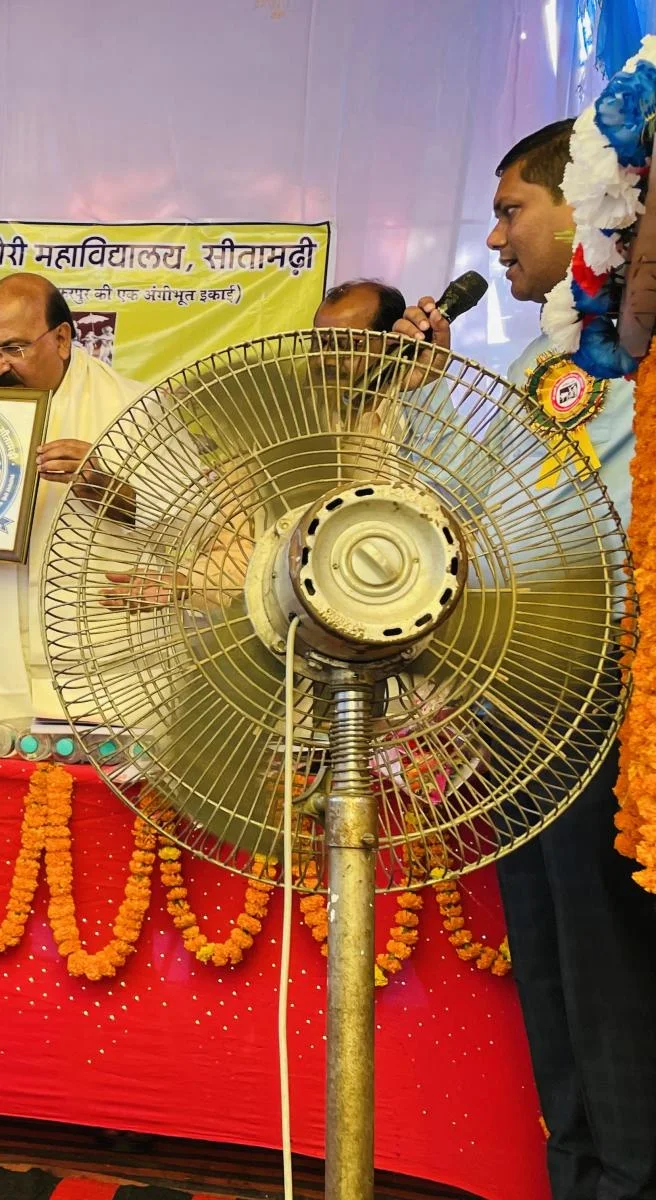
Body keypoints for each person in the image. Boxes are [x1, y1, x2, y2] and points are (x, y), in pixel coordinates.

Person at [398, 119, 656, 1200]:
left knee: (606, 968)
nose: (496, 239)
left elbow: (589, 525)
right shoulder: (542, 361)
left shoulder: (633, 356)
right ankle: (578, 1173)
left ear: (586, 210)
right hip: (520, 698)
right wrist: (422, 388)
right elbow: (473, 506)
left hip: (600, 691)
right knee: (547, 962)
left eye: (512, 212)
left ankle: (627, 1178)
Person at [0, 273, 144, 724]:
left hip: (100, 675)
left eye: (13, 348)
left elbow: (191, 527)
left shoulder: (136, 409)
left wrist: (111, 489)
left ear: (61, 339)